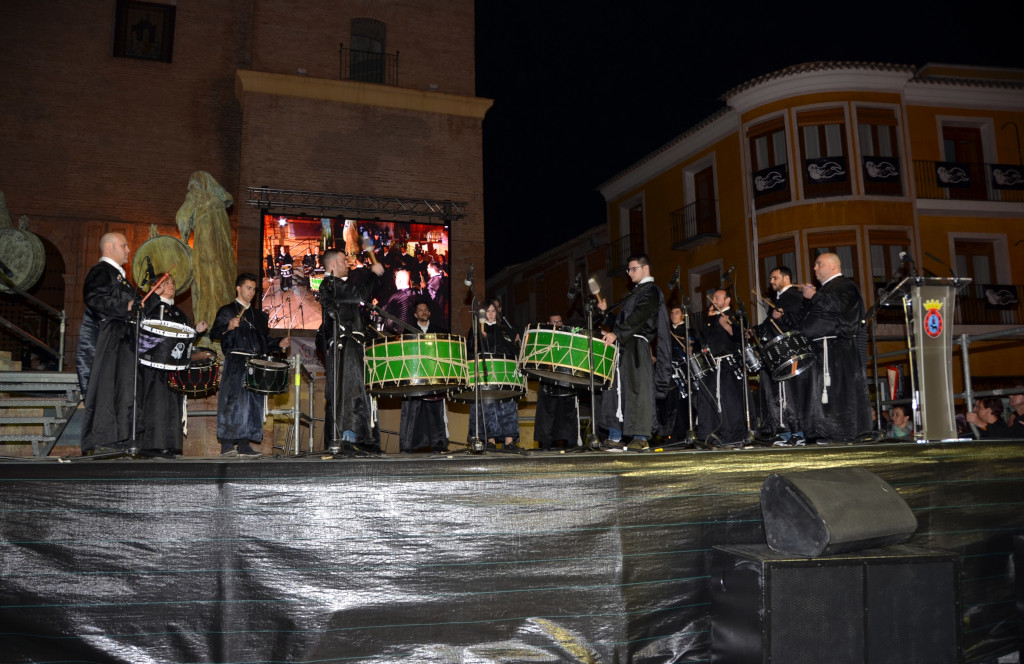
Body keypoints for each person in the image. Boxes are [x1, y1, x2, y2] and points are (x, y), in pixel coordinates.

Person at [596, 254, 672, 452]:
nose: (629, 274)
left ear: (645, 268)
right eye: (628, 270)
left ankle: (640, 437)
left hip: (636, 347)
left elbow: (640, 317)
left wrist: (617, 333)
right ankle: (615, 436)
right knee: (615, 390)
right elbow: (625, 322)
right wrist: (609, 315)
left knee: (637, 391)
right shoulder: (637, 292)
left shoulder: (651, 291)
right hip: (624, 345)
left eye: (632, 269)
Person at [210, 273, 290, 457]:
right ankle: (227, 445)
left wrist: (278, 344)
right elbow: (214, 333)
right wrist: (228, 326)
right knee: (233, 401)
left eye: (254, 289)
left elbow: (264, 341)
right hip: (236, 361)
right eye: (248, 288)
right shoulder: (227, 311)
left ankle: (245, 445)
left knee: (252, 403)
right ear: (238, 288)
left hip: (255, 363)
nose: (252, 292)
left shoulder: (259, 316)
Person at [797, 252, 872, 442]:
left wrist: (815, 297)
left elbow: (838, 308)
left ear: (833, 266)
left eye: (819, 264)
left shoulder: (845, 285)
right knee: (817, 396)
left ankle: (836, 434)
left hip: (837, 352)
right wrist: (809, 300)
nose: (815, 268)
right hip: (819, 351)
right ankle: (819, 433)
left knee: (835, 395)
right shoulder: (826, 290)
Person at [77, 232, 139, 454]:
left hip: (124, 342)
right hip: (110, 340)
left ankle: (121, 438)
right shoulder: (101, 271)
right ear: (110, 246)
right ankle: (104, 439)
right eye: (124, 245)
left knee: (122, 389)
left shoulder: (120, 276)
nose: (128, 250)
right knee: (107, 388)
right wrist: (126, 307)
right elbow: (94, 298)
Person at [317, 249, 384, 453]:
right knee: (349, 392)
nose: (348, 263)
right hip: (345, 346)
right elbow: (361, 295)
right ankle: (347, 439)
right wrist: (374, 274)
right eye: (344, 260)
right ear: (333, 265)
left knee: (356, 391)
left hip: (352, 345)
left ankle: (359, 439)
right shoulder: (331, 284)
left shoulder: (338, 288)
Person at [137, 275, 207, 458]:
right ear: (155, 287)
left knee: (172, 406)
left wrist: (196, 332)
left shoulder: (179, 313)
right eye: (166, 283)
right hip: (154, 368)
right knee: (156, 405)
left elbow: (183, 342)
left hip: (173, 368)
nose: (171, 286)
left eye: (173, 283)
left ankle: (170, 444)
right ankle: (152, 445)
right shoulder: (150, 307)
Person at [755, 266, 809, 445]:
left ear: (786, 278)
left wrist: (783, 316)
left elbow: (798, 321)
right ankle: (786, 431)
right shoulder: (779, 299)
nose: (771, 282)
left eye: (775, 278)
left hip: (791, 351)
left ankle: (798, 432)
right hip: (780, 353)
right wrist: (754, 331)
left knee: (792, 394)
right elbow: (769, 324)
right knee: (782, 394)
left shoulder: (794, 296)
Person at [695, 289, 747, 446]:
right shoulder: (711, 318)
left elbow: (741, 337)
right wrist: (710, 319)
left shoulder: (734, 315)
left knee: (729, 401)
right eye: (713, 298)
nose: (714, 300)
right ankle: (711, 434)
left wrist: (728, 327)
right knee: (710, 400)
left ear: (727, 300)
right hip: (712, 365)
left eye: (717, 298)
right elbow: (703, 339)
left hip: (728, 364)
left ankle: (733, 435)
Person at [466, 298, 521, 450]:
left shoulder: (504, 329)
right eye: (487, 311)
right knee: (487, 407)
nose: (490, 314)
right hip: (485, 374)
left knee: (507, 406)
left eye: (493, 311)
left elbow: (514, 350)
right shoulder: (476, 330)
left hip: (504, 374)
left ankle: (509, 442)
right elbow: (470, 349)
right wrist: (480, 335)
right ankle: (489, 441)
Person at [398, 301, 450, 453]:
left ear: (429, 313)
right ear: (415, 315)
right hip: (414, 381)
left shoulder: (440, 333)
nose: (424, 312)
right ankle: (407, 447)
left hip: (434, 380)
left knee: (435, 415)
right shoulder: (406, 333)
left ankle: (439, 445)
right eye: (420, 310)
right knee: (412, 415)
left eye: (426, 310)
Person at [533, 314, 582, 451]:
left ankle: (571, 442)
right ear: (548, 323)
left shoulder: (569, 335)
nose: (557, 324)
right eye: (554, 322)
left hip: (565, 379)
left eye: (560, 321)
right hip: (548, 380)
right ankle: (546, 444)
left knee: (567, 413)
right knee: (547, 415)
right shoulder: (543, 337)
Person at [381, 269, 418, 334]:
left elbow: (383, 311)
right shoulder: (415, 293)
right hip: (413, 331)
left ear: (399, 281)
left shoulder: (396, 296)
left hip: (398, 332)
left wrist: (377, 304)